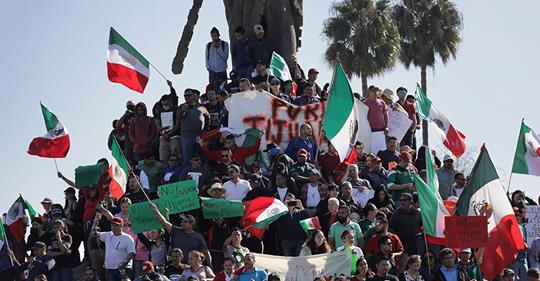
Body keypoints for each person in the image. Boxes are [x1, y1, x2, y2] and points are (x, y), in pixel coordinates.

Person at [178, 88, 209, 166]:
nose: (187, 97)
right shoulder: (181, 106)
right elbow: (178, 118)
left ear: (193, 96)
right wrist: (183, 110)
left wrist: (205, 129)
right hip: (187, 137)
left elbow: (208, 117)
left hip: (199, 136)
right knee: (187, 159)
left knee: (201, 156)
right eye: (185, 96)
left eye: (189, 95)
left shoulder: (201, 106)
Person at [364, 86, 389, 154]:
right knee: (371, 152)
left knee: (382, 151)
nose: (375, 92)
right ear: (369, 92)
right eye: (373, 90)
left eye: (376, 90)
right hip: (370, 131)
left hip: (381, 131)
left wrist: (386, 126)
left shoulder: (382, 102)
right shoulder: (365, 103)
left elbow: (385, 115)